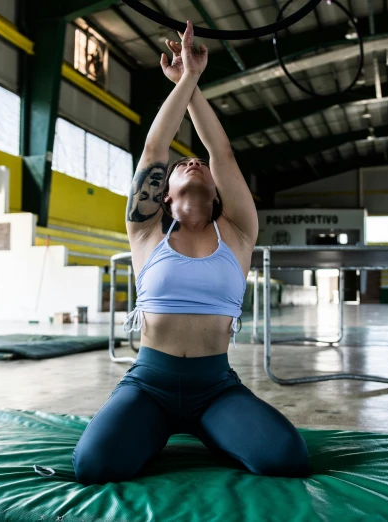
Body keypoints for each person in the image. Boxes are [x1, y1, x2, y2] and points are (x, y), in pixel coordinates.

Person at [73, 21, 309, 485]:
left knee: (287, 458)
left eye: (196, 162)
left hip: (215, 388)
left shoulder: (238, 233)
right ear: (162, 193)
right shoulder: (144, 233)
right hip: (148, 385)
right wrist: (184, 81)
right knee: (94, 465)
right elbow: (155, 147)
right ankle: (159, 426)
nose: (192, 161)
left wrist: (194, 79)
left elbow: (221, 151)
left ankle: (206, 427)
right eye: (182, 165)